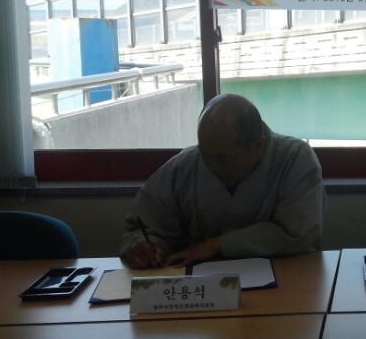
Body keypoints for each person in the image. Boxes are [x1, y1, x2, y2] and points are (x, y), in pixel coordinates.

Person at [120, 94, 326, 268]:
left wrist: (216, 245)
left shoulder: (295, 159)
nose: (212, 166)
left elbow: (300, 236)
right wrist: (147, 246)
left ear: (257, 145)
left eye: (222, 158)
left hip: (284, 277)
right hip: (199, 283)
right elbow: (144, 225)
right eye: (205, 154)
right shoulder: (185, 165)